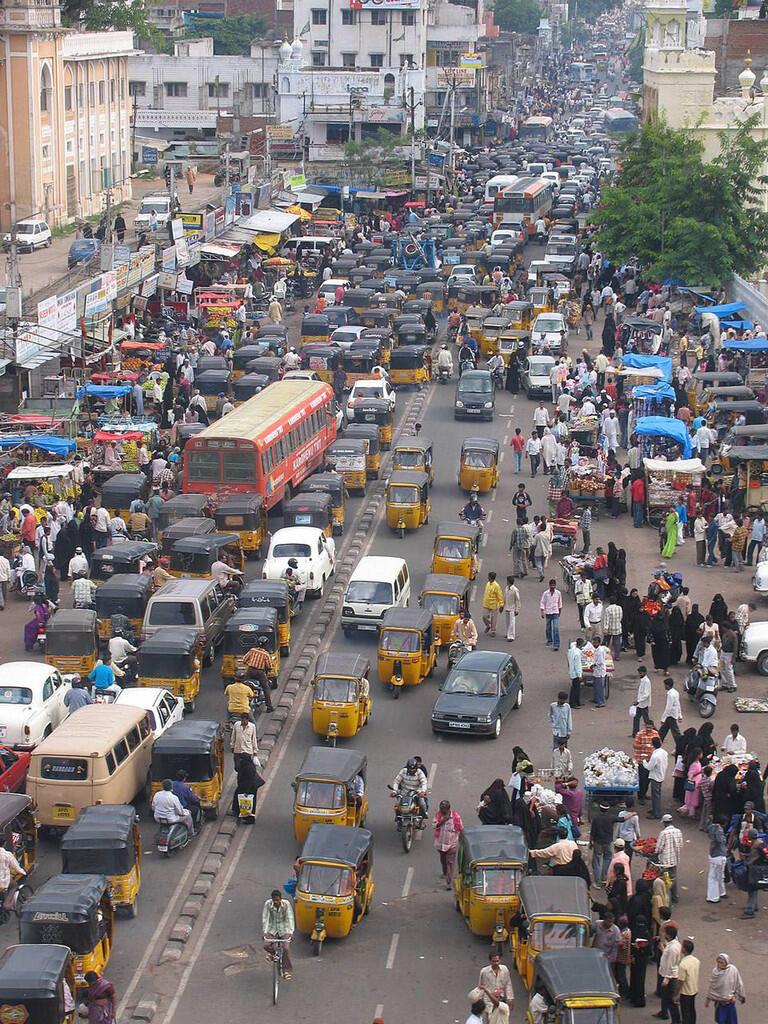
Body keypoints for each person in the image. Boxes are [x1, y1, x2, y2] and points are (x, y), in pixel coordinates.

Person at [704, 954, 745, 1024]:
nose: (720, 964)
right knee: (721, 1021)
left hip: (730, 1002)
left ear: (726, 962)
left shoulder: (733, 970)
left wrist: (736, 996)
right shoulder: (715, 972)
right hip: (720, 1004)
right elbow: (712, 987)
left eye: (722, 962)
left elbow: (738, 983)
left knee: (732, 1021)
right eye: (718, 962)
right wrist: (708, 1000)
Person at [262, 890, 294, 978]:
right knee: (266, 945)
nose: (276, 902)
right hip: (272, 929)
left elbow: (290, 918)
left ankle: (286, 970)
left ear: (280, 899)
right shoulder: (268, 904)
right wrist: (265, 932)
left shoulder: (286, 904)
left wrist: (291, 932)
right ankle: (274, 954)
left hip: (284, 929)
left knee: (286, 949)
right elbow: (265, 918)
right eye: (274, 900)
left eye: (277, 900)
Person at [433, 800, 463, 889]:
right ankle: (445, 872)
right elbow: (434, 826)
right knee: (443, 860)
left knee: (450, 863)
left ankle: (449, 882)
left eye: (443, 809)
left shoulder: (456, 817)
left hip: (451, 844)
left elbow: (460, 828)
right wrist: (442, 821)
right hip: (440, 844)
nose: (442, 811)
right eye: (441, 809)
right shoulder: (438, 816)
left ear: (448, 809)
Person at [657, 923, 682, 1023]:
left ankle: (676, 1021)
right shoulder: (673, 944)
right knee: (665, 997)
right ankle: (664, 1013)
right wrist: (664, 950)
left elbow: (670, 965)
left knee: (671, 1001)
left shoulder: (672, 948)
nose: (664, 935)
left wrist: (666, 980)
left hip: (669, 977)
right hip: (667, 974)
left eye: (665, 933)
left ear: (668, 935)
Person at [478, 951, 514, 1018]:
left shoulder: (504, 969)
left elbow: (508, 984)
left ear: (500, 960)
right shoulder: (484, 972)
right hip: (489, 1001)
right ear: (490, 961)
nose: (496, 963)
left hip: (501, 1000)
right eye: (493, 961)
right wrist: (480, 1000)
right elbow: (480, 987)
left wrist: (510, 998)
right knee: (491, 1019)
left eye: (497, 961)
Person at [656, 814, 683, 903]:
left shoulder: (663, 833)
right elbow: (681, 844)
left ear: (664, 823)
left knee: (665, 879)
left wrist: (655, 853)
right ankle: (675, 897)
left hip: (665, 861)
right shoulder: (678, 831)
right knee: (673, 878)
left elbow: (659, 848)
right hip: (674, 859)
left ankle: (665, 898)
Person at [630, 915, 653, 1007]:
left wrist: (639, 949)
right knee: (637, 979)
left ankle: (638, 999)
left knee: (638, 979)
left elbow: (648, 949)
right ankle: (635, 997)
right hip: (640, 959)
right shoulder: (646, 932)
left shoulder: (639, 932)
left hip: (639, 958)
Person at [590, 801, 615, 886]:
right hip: (608, 842)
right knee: (607, 859)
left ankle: (597, 882)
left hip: (598, 842)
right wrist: (632, 814)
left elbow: (592, 832)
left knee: (596, 861)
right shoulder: (611, 818)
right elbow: (622, 819)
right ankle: (604, 878)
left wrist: (590, 842)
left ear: (600, 808)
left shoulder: (596, 819)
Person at [677, 939, 700, 1024]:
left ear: (684, 949)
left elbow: (681, 981)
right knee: (691, 1010)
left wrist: (676, 994)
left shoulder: (683, 964)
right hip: (693, 989)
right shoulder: (696, 960)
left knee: (685, 1012)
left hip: (685, 992)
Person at [658, 677, 683, 746]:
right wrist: (680, 715)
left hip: (670, 716)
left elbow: (668, 707)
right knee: (663, 730)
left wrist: (663, 719)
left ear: (667, 685)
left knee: (675, 733)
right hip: (673, 715)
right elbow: (678, 704)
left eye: (665, 685)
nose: (664, 686)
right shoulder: (676, 692)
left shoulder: (670, 695)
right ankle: (658, 741)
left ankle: (680, 745)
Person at [540, 579, 563, 651]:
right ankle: (549, 640)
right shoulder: (545, 593)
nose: (553, 587)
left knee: (555, 628)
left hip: (555, 612)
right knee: (548, 627)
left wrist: (559, 612)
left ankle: (556, 644)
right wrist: (542, 612)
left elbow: (560, 603)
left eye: (554, 585)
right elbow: (542, 602)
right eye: (552, 585)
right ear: (549, 585)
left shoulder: (558, 593)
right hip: (548, 612)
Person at [481, 571, 504, 637]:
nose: (487, 578)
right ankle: (488, 625)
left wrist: (501, 605)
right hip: (486, 604)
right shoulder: (488, 583)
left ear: (490, 578)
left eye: (488, 577)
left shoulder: (496, 586)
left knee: (494, 618)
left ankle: (493, 630)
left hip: (494, 604)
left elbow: (500, 596)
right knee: (484, 616)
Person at [634, 666, 652, 737]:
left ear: (645, 673)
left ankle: (654, 733)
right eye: (639, 673)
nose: (639, 674)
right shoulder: (643, 680)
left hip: (643, 704)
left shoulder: (646, 681)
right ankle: (635, 733)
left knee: (646, 721)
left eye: (641, 673)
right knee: (636, 717)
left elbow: (646, 694)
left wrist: (638, 701)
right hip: (640, 704)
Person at [567, 638, 584, 708]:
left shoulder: (572, 650)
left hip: (572, 671)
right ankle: (573, 703)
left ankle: (577, 701)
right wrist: (579, 675)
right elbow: (577, 666)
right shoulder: (577, 654)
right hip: (576, 674)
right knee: (575, 689)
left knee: (576, 688)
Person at [503, 575, 520, 642]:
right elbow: (504, 597)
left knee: (512, 622)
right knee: (508, 622)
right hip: (507, 607)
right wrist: (502, 605)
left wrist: (517, 609)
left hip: (512, 608)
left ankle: (511, 636)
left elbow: (517, 600)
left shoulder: (515, 590)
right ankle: (508, 634)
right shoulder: (506, 588)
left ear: (509, 581)